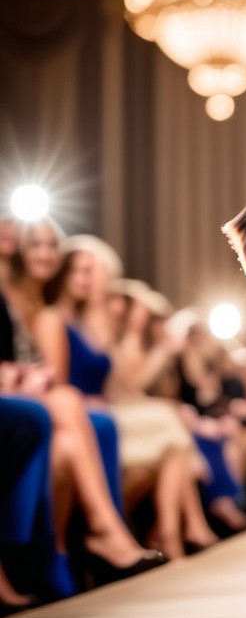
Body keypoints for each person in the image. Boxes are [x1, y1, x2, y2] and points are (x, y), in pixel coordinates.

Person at [2, 221, 161, 590]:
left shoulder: (45, 305)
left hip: (53, 404)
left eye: (49, 246)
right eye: (34, 245)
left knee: (78, 436)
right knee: (74, 406)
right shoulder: (43, 311)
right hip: (43, 401)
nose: (43, 254)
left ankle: (70, 551)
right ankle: (98, 535)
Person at [42, 244, 218, 560]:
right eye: (80, 271)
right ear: (64, 273)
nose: (86, 280)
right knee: (169, 421)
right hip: (85, 411)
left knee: (171, 428)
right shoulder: (57, 319)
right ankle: (172, 532)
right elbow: (59, 386)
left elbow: (121, 383)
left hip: (104, 407)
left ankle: (173, 532)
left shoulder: (89, 323)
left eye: (92, 273)